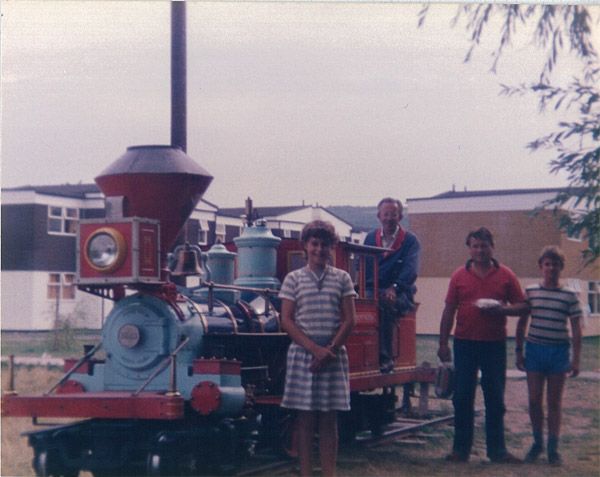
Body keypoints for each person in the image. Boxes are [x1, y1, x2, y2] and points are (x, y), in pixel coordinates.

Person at [437, 227, 527, 463]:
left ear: (492, 247)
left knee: (495, 398)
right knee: (463, 396)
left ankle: (497, 451)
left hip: (494, 345)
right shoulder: (459, 275)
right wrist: (443, 342)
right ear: (469, 248)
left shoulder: (506, 274)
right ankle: (460, 450)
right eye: (475, 246)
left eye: (484, 245)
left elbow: (522, 306)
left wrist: (502, 309)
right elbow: (449, 310)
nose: (479, 250)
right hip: (464, 343)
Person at [279, 220, 357, 477]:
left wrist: (329, 350)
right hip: (303, 358)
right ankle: (306, 473)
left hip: (333, 357)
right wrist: (314, 349)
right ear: (305, 246)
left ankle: (328, 473)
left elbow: (349, 320)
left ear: (332, 247)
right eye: (315, 243)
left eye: (325, 244)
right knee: (305, 420)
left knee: (328, 420)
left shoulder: (343, 278)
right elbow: (287, 321)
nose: (319, 249)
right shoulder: (293, 279)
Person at [515, 246, 582, 466]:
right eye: (547, 264)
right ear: (541, 266)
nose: (551, 268)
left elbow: (577, 329)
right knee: (534, 401)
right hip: (535, 350)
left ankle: (553, 448)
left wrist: (576, 359)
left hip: (558, 352)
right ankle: (537, 443)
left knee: (554, 402)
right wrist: (518, 351)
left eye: (555, 264)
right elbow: (522, 322)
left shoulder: (569, 295)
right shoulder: (531, 291)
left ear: (561, 267)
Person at [364, 197, 420, 373]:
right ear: (379, 216)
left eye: (393, 214)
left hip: (401, 292)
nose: (389, 218)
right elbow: (363, 265)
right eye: (386, 214)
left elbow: (410, 271)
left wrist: (394, 288)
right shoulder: (370, 238)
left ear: (400, 216)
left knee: (385, 303)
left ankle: (385, 356)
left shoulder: (411, 241)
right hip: (373, 289)